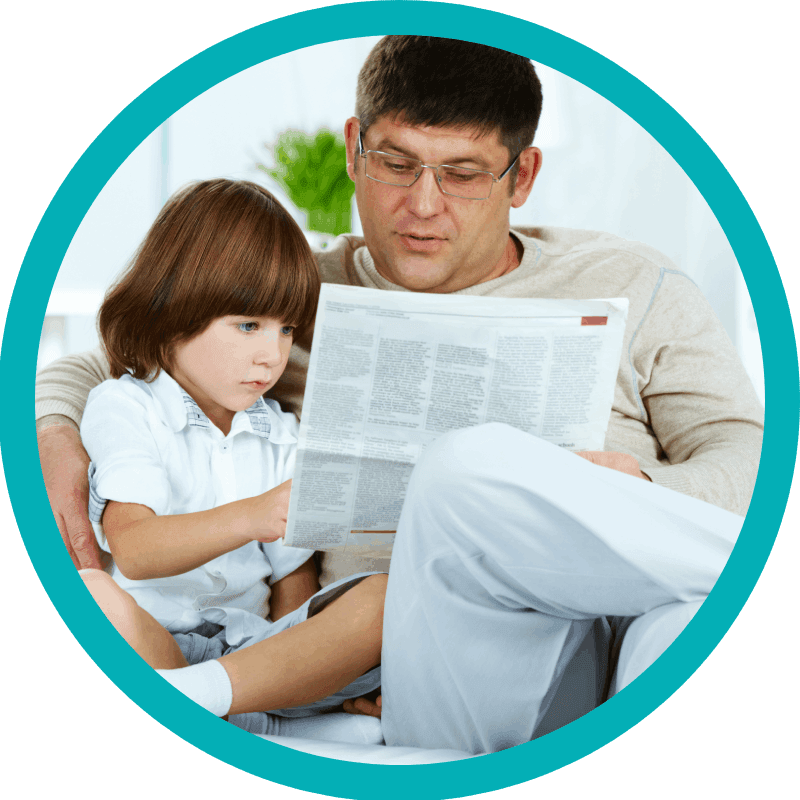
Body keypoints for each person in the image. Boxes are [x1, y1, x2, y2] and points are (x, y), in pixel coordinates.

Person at [36, 37, 763, 752]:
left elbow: (752, 453)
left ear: (524, 173)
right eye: (395, 162)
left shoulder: (638, 282)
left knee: (692, 622)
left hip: (620, 629)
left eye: (463, 173)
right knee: (460, 471)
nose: (422, 204)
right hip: (432, 672)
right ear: (354, 148)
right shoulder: (285, 300)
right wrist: (55, 428)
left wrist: (639, 488)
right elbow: (124, 350)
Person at [76, 178, 386, 742]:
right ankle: (234, 715)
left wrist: (304, 658)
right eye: (248, 325)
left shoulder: (281, 434)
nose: (272, 355)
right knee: (93, 597)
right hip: (158, 637)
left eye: (285, 328)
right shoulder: (126, 406)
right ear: (173, 311)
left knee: (381, 598)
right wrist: (252, 515)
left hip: (251, 655)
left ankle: (220, 706)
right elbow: (136, 550)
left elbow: (294, 580)